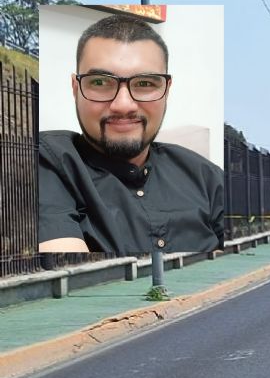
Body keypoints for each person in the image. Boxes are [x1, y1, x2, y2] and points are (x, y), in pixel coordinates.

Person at [38, 14, 223, 254]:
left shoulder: (206, 176)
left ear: (166, 90)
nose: (123, 105)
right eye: (100, 82)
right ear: (76, 88)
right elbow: (73, 279)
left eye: (145, 84)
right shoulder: (49, 162)